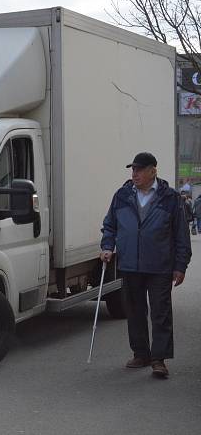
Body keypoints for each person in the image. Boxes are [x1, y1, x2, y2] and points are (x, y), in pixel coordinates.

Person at [100, 152, 191, 379]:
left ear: (153, 171)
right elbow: (110, 225)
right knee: (134, 311)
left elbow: (181, 234)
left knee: (160, 313)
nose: (135, 174)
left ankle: (159, 359)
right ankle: (141, 353)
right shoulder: (122, 195)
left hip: (160, 265)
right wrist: (107, 245)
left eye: (139, 170)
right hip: (130, 264)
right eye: (133, 170)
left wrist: (180, 266)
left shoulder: (170, 198)